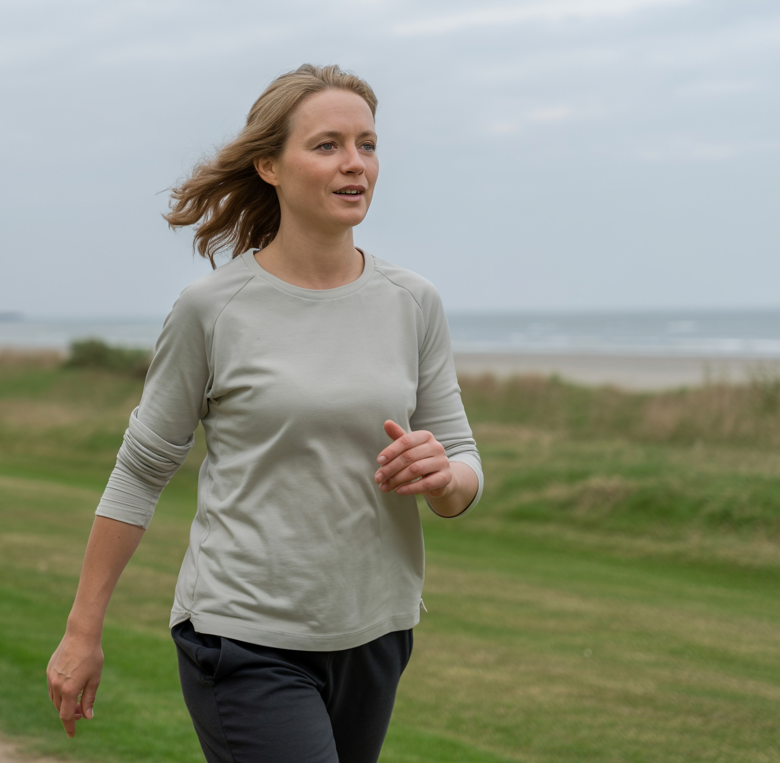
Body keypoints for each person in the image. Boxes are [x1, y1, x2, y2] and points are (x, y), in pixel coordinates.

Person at [47, 63, 484, 763]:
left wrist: (446, 478)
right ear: (269, 166)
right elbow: (139, 473)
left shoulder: (414, 302)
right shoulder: (211, 310)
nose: (355, 165)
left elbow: (462, 462)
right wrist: (82, 629)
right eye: (328, 145)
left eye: (368, 145)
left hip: (375, 633)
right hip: (244, 635)